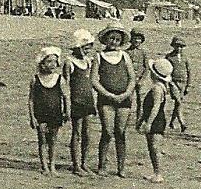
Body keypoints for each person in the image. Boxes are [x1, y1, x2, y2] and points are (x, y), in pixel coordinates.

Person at [91, 23, 134, 177]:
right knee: (108, 132)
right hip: (106, 99)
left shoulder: (125, 56)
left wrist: (126, 94)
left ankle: (121, 167)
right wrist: (108, 94)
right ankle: (102, 165)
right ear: (106, 39)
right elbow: (94, 80)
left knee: (120, 133)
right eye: (112, 38)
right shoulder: (98, 56)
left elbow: (132, 79)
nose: (114, 42)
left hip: (124, 100)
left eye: (117, 39)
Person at [28, 47, 68, 175]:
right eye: (49, 61)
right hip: (41, 114)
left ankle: (52, 166)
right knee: (42, 140)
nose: (52, 65)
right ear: (42, 63)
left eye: (54, 62)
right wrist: (32, 117)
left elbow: (66, 96)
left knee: (53, 141)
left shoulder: (59, 79)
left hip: (55, 113)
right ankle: (44, 166)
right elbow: (31, 100)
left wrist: (67, 111)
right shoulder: (36, 79)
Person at [64, 29, 97, 176]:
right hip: (76, 100)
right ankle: (76, 164)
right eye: (84, 47)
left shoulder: (88, 62)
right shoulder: (69, 62)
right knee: (77, 133)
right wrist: (67, 104)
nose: (87, 49)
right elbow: (66, 84)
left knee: (87, 133)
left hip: (88, 99)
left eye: (89, 46)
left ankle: (84, 163)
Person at [137, 58, 172, 182]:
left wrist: (148, 122)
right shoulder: (159, 87)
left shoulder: (157, 88)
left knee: (155, 147)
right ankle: (155, 172)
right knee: (152, 147)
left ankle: (158, 173)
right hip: (154, 118)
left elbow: (156, 107)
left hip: (156, 120)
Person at [165, 35, 191, 133]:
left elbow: (189, 72)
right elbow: (165, 70)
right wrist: (169, 83)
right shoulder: (169, 57)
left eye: (181, 46)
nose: (179, 48)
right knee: (178, 102)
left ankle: (171, 122)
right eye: (177, 46)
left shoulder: (185, 58)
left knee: (177, 104)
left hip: (183, 83)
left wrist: (188, 85)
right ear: (173, 46)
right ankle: (182, 123)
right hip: (173, 83)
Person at [126, 28, 149, 121]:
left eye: (139, 38)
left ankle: (139, 120)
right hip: (129, 80)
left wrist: (142, 80)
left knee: (141, 100)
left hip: (140, 79)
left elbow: (146, 67)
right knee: (129, 99)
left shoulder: (143, 52)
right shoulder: (126, 52)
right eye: (135, 38)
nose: (137, 40)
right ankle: (126, 118)